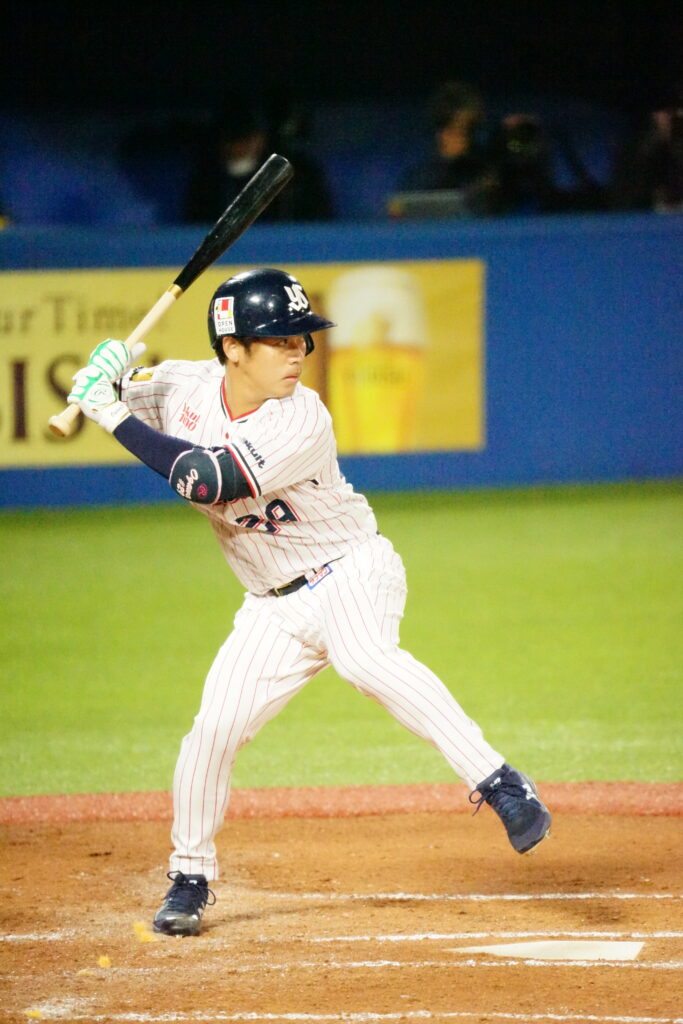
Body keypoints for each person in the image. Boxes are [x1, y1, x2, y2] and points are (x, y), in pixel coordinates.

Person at [67, 267, 552, 937]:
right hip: (270, 604)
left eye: (301, 338)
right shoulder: (181, 387)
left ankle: (501, 782)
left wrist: (110, 410)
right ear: (232, 348)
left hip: (349, 570)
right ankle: (189, 876)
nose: (298, 351)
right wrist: (107, 372)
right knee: (212, 732)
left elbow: (206, 480)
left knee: (364, 659)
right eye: (280, 340)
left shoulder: (301, 416)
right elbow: (114, 387)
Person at [183, 99, 333, 223]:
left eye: (245, 139)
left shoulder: (296, 173)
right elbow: (195, 225)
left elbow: (318, 223)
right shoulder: (207, 179)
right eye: (232, 141)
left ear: (260, 138)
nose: (239, 148)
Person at [395, 80, 499, 216]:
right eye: (456, 130)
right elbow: (406, 208)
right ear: (441, 133)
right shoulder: (419, 176)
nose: (463, 139)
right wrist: (448, 162)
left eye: (469, 130)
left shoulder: (486, 167)